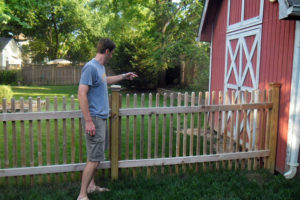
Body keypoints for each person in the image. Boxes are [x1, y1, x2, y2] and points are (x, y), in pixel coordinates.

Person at [77, 38, 137, 200]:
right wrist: (88, 120)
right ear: (107, 51)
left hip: (101, 118)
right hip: (94, 118)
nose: (112, 56)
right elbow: (81, 93)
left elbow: (106, 81)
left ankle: (91, 186)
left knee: (96, 156)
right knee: (94, 159)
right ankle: (82, 195)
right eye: (112, 53)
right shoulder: (90, 67)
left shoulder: (100, 68)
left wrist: (124, 76)